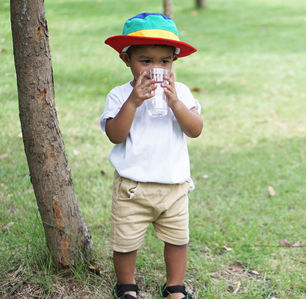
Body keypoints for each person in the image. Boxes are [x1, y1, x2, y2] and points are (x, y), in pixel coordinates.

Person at [100, 12, 202, 299]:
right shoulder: (120, 96)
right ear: (126, 60)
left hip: (174, 185)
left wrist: (176, 104)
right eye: (145, 61)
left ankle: (175, 287)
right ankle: (127, 286)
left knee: (178, 240)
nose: (155, 68)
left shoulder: (179, 92)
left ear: (174, 62)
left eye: (164, 62)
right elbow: (115, 135)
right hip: (133, 187)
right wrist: (133, 102)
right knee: (125, 241)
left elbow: (195, 130)